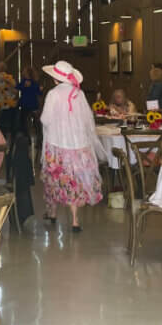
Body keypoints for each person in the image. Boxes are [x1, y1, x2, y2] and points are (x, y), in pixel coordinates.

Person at [39, 60, 107, 232]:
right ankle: (75, 220)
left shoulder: (53, 94)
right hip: (79, 144)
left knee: (55, 178)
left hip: (57, 144)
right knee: (75, 181)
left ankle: (52, 212)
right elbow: (87, 120)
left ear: (55, 79)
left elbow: (45, 119)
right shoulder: (79, 93)